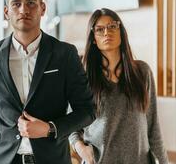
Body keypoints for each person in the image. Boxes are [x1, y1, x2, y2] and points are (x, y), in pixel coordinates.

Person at [0, 0, 95, 164]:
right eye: (16, 4)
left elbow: (87, 110)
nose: (23, 10)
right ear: (6, 11)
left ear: (43, 8)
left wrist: (50, 128)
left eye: (31, 3)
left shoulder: (65, 54)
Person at [69, 8, 168, 164]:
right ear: (93, 38)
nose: (107, 32)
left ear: (121, 31)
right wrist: (82, 150)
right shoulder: (84, 77)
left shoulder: (143, 72)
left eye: (112, 26)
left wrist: (164, 162)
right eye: (100, 29)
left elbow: (153, 126)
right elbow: (71, 124)